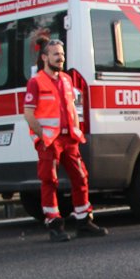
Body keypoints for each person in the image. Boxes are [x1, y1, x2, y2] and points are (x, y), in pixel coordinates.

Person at [22, 38, 108, 242]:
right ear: (44, 57)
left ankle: (83, 222)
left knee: (80, 177)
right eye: (56, 54)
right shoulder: (36, 82)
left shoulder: (66, 80)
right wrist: (43, 136)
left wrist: (76, 130)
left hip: (69, 139)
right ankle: (54, 224)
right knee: (49, 181)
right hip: (50, 140)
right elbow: (28, 113)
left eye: (62, 54)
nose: (60, 58)